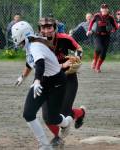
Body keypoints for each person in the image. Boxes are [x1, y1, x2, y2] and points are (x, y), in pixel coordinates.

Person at [12, 21, 73, 150]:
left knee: (52, 118)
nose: (13, 38)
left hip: (56, 82)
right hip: (43, 81)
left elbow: (40, 64)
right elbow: (31, 63)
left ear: (21, 35)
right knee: (28, 114)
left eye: (14, 35)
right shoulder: (30, 43)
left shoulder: (35, 46)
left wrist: (37, 81)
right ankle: (45, 146)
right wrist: (22, 77)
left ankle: (67, 122)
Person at [38, 17, 86, 146]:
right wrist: (62, 65)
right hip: (48, 80)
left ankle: (80, 114)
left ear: (55, 28)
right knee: (48, 116)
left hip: (68, 79)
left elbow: (79, 49)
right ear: (39, 30)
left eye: (49, 27)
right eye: (43, 28)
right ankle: (58, 136)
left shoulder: (64, 38)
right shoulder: (37, 44)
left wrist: (76, 57)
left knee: (63, 113)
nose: (46, 31)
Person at [86, 4, 118, 73]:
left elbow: (115, 27)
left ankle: (98, 67)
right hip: (97, 35)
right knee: (98, 48)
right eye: (103, 8)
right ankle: (95, 60)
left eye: (106, 8)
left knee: (103, 53)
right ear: (100, 9)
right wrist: (89, 30)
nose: (104, 9)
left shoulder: (110, 17)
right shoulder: (97, 16)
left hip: (106, 36)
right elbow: (92, 22)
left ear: (108, 9)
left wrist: (112, 30)